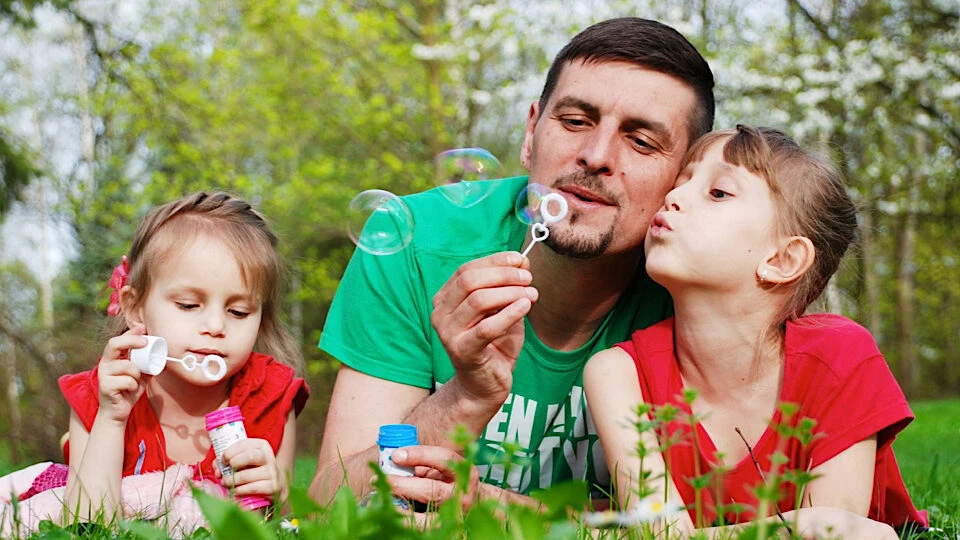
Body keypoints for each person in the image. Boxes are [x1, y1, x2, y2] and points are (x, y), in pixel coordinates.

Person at [310, 17, 715, 507]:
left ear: (684, 179)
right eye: (575, 121)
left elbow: (705, 519)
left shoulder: (703, 287)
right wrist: (466, 396)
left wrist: (503, 515)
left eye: (641, 141)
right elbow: (330, 502)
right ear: (530, 133)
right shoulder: (410, 240)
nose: (595, 155)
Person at [583, 126, 927, 538]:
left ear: (783, 259)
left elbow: (839, 532)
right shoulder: (616, 373)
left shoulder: (840, 356)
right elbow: (659, 533)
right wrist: (803, 525)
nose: (673, 197)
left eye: (718, 193)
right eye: (681, 182)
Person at [17, 191, 309, 532]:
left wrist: (278, 490)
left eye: (238, 311)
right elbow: (88, 525)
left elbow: (288, 524)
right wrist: (111, 419)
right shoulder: (101, 395)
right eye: (188, 305)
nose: (215, 327)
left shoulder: (270, 397)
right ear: (135, 307)